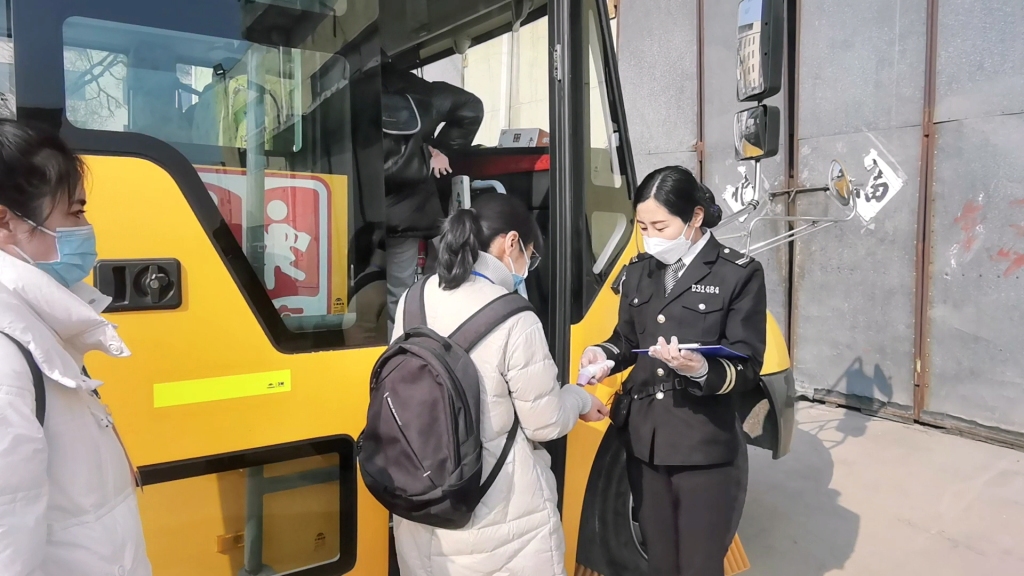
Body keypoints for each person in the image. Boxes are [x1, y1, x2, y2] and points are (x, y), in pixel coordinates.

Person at [392, 192, 607, 576]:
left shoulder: (413, 299)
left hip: (421, 506)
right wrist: (577, 398)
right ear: (510, 243)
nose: (528, 265)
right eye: (530, 253)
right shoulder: (515, 317)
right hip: (500, 519)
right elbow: (545, 422)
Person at [580, 166, 766, 576]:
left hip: (703, 445)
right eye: (643, 226)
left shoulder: (737, 274)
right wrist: (604, 355)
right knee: (661, 563)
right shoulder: (639, 270)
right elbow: (627, 340)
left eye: (660, 225)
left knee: (698, 565)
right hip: (644, 440)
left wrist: (701, 368)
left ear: (695, 217)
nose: (650, 236)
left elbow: (747, 366)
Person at [0, 120, 152, 576]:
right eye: (75, 212)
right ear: (6, 221)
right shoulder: (7, 356)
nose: (86, 229)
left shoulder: (39, 331)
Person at [381, 63, 484, 336]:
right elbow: (471, 107)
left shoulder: (347, 92)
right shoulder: (420, 92)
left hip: (364, 210)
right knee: (425, 283)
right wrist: (435, 153)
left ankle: (401, 348)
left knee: (393, 291)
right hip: (411, 209)